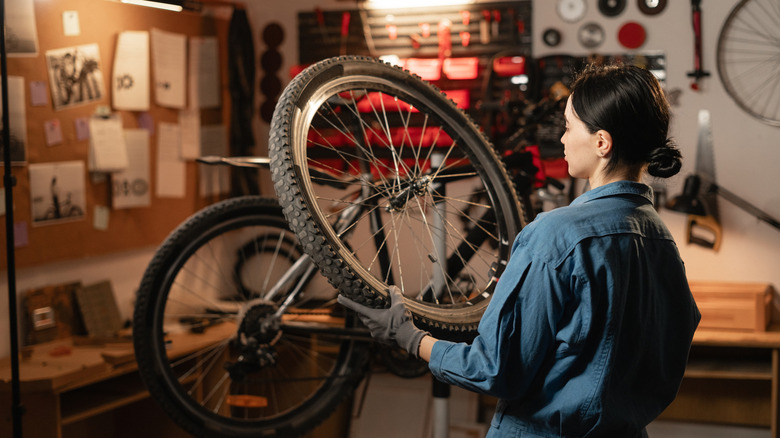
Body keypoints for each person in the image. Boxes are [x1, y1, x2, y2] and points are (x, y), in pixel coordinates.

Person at [338, 63, 701, 437]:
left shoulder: (556, 235)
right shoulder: (663, 242)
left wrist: (408, 337)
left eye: (569, 126)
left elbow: (494, 369)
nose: (561, 138)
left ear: (601, 143)